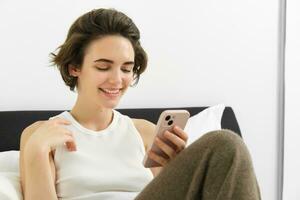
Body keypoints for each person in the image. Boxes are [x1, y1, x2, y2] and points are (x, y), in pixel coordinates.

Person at [19, 8, 261, 200]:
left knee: (226, 145)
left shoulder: (144, 132)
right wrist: (36, 151)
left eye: (126, 68)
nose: (117, 80)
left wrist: (176, 168)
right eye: (103, 67)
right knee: (224, 142)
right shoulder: (41, 135)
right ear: (75, 67)